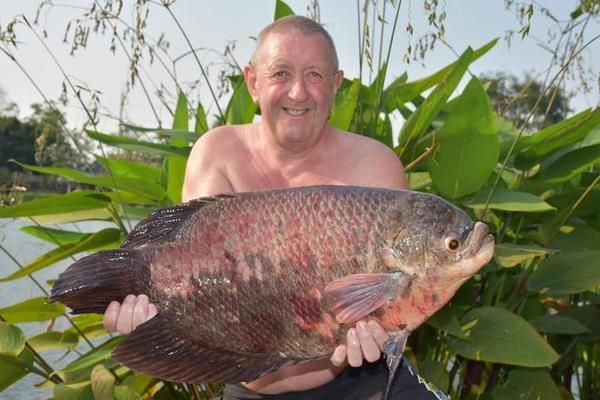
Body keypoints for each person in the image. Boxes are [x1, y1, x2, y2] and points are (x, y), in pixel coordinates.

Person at [103, 15, 446, 400]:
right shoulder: (217, 153)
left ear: (336, 86)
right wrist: (153, 317)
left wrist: (378, 330)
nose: (298, 92)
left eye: (315, 75)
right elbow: (196, 279)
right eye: (281, 73)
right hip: (247, 384)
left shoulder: (375, 165)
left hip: (361, 379)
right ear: (253, 82)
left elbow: (400, 295)